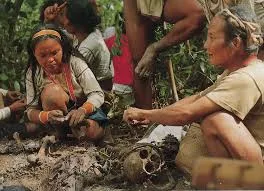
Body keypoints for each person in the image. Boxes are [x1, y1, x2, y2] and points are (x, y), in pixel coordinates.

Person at [124, 6, 264, 165]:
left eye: (211, 37)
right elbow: (197, 98)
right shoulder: (239, 71)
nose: (205, 45)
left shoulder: (245, 78)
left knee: (216, 121)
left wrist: (146, 114)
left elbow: (187, 113)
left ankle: (238, 185)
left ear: (236, 43)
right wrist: (149, 115)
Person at [25, 23, 107, 141]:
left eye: (54, 53)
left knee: (90, 132)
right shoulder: (33, 72)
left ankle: (73, 132)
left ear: (62, 48)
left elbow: (97, 94)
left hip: (85, 112)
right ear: (34, 54)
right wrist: (46, 116)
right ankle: (60, 132)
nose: (50, 59)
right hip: (55, 121)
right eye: (42, 55)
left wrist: (82, 110)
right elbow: (30, 111)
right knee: (52, 93)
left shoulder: (75, 62)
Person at [43, 0, 114, 91]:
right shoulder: (84, 34)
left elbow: (70, 79)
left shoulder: (88, 47)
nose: (62, 21)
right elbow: (54, 36)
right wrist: (48, 20)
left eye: (62, 15)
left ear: (70, 21)